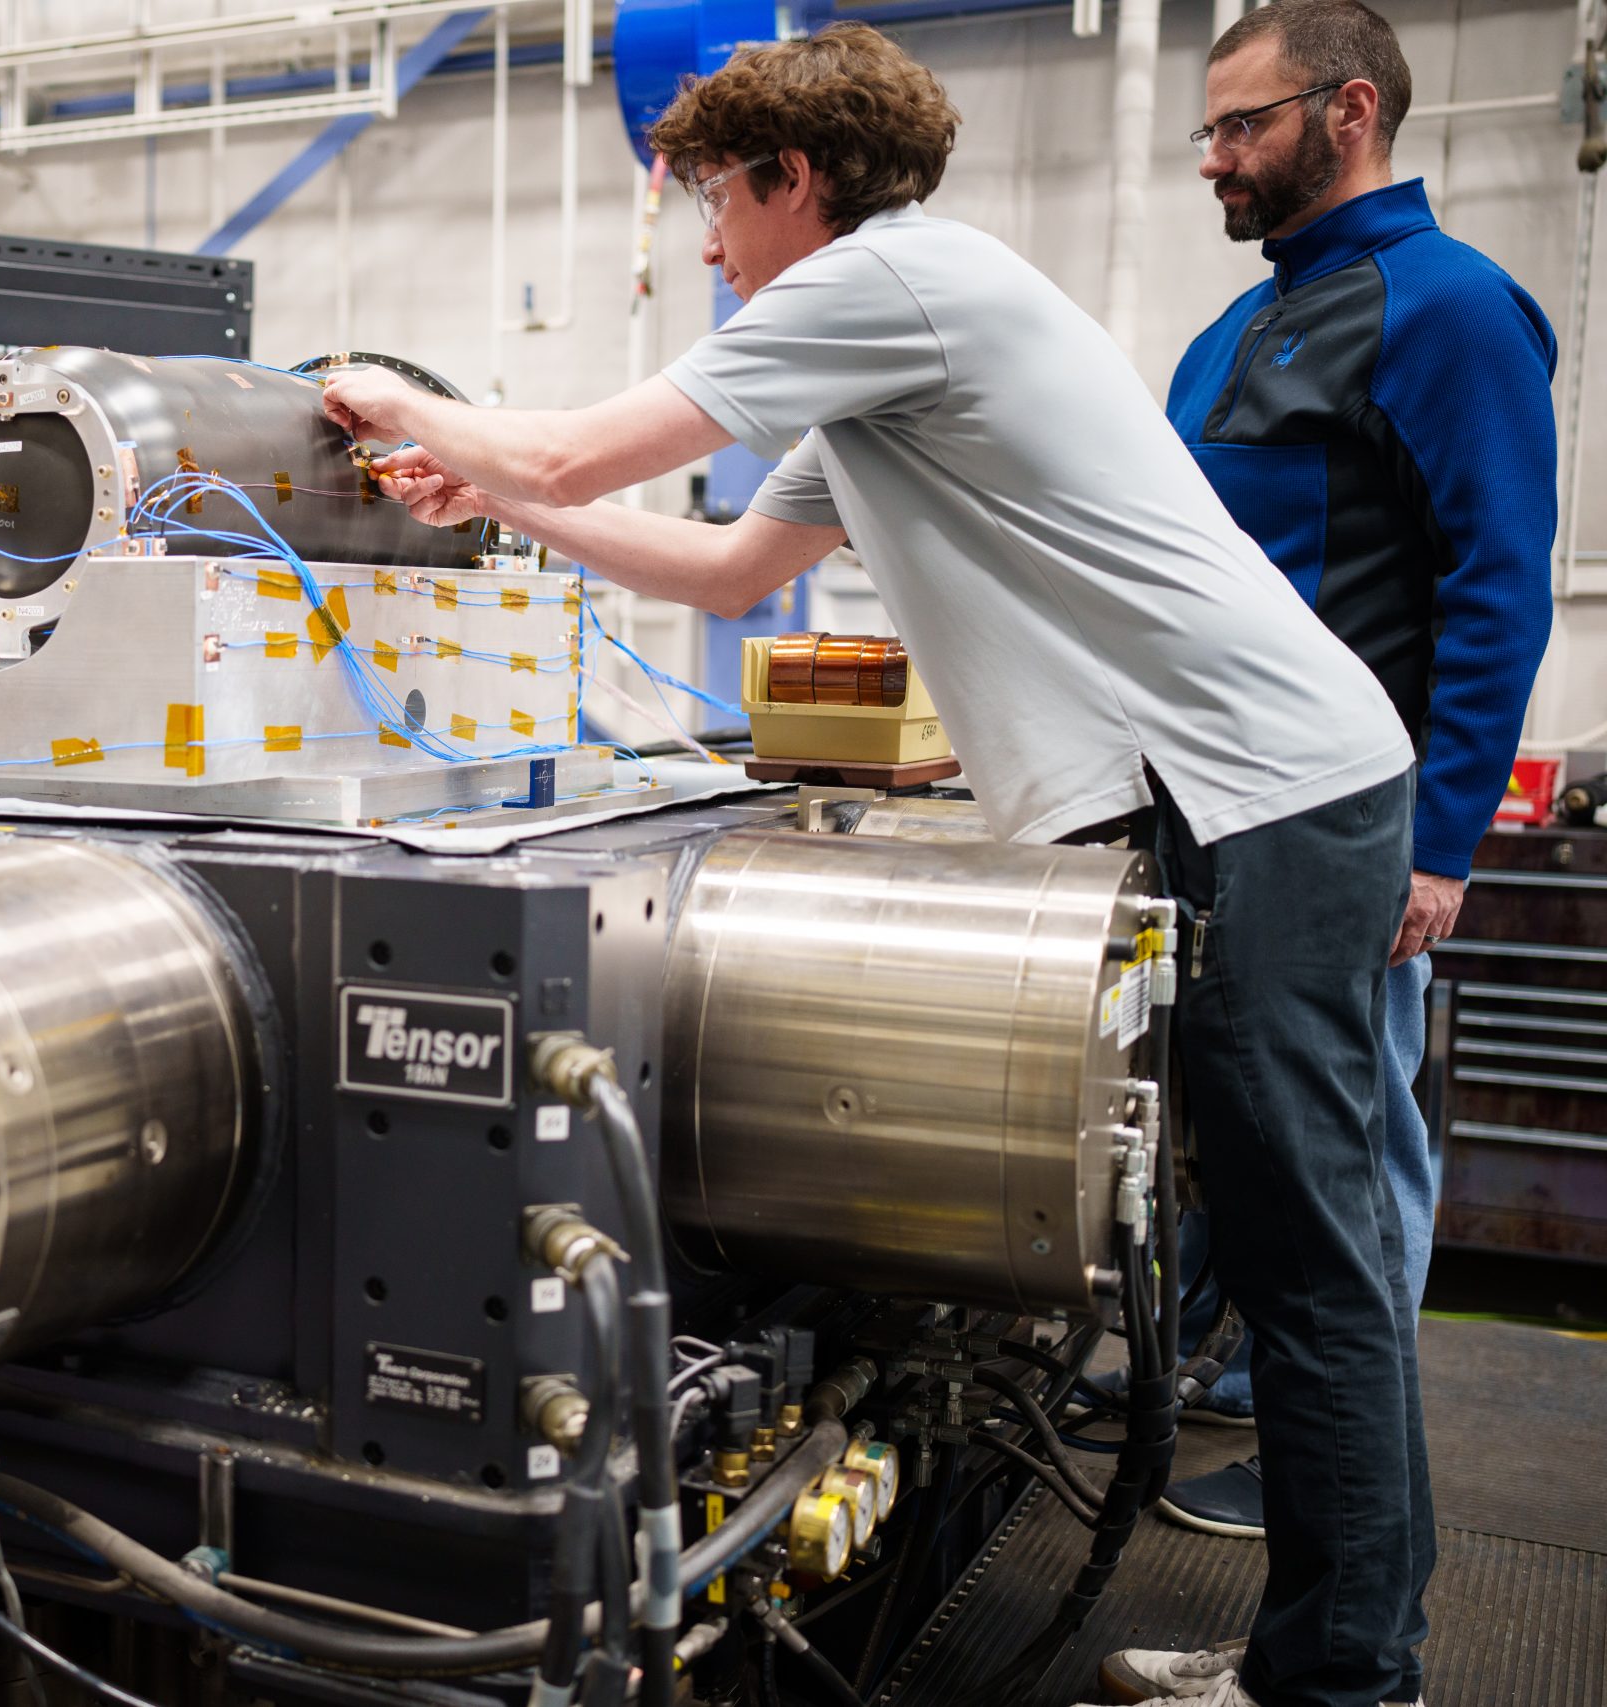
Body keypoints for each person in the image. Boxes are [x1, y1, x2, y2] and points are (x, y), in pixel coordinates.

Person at [319, 24, 1425, 1707]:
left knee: (1308, 1260)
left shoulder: (884, 282)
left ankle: (1346, 1684)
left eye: (715, 201)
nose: (707, 243)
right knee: (1286, 1245)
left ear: (793, 179)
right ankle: (1322, 1663)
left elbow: (562, 450)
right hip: (1229, 793)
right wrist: (502, 501)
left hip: (1264, 789)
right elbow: (722, 566)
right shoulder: (885, 332)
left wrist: (411, 407)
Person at [1136, 0, 1557, 1565]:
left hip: (1346, 839)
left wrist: (1438, 847)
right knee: (1264, 1177)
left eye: (1242, 127)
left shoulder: (1445, 308)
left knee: (1352, 1194)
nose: (1215, 162)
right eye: (1209, 131)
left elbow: (1499, 589)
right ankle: (1272, 1414)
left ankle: (1352, 1547)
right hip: (1221, 826)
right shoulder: (1242, 328)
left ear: (1350, 112)